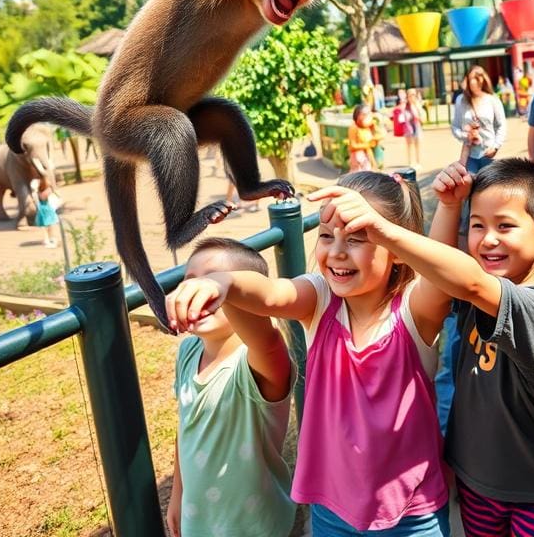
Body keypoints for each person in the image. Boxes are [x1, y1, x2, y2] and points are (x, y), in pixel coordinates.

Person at [167, 171, 452, 536]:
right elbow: (271, 293)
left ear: (394, 248)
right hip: (332, 511)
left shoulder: (415, 311)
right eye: (326, 236)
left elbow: (443, 276)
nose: (336, 252)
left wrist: (448, 206)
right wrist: (223, 282)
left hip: (412, 516)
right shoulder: (320, 299)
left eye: (358, 238)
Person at [415, 157, 534, 536]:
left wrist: (381, 230)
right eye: (477, 226)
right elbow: (439, 276)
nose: (488, 239)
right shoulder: (473, 292)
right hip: (475, 484)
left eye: (505, 226)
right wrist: (450, 205)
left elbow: (467, 281)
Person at [166, 238, 295, 537]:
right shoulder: (188, 352)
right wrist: (177, 494)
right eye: (190, 282)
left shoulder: (260, 364)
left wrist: (227, 287)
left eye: (212, 283)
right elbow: (186, 427)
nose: (198, 292)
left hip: (257, 527)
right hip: (199, 522)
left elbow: (267, 341)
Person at [451, 66, 506, 175]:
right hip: (470, 155)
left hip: (489, 154)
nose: (474, 82)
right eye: (471, 79)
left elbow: (501, 125)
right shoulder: (461, 100)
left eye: (477, 79)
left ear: (483, 81)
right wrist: (466, 136)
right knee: (470, 188)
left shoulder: (492, 99)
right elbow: (455, 126)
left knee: (489, 189)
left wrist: (495, 146)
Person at [392, 88, 423, 170]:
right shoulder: (404, 106)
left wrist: (417, 108)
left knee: (417, 145)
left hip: (417, 127)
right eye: (410, 95)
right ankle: (411, 163)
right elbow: (397, 113)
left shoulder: (417, 105)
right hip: (408, 129)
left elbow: (422, 117)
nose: (412, 97)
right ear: (407, 96)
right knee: (409, 146)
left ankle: (418, 162)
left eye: (414, 95)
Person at [347, 103, 377, 173]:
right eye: (364, 114)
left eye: (368, 113)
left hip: (367, 158)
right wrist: (368, 145)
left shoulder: (366, 126)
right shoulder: (353, 127)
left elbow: (372, 142)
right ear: (358, 115)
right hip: (358, 159)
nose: (367, 116)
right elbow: (352, 145)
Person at [33, 177, 59, 248]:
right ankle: (51, 238)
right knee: (50, 225)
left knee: (44, 226)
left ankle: (46, 239)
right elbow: (53, 196)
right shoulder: (48, 191)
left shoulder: (38, 192)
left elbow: (36, 200)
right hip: (48, 209)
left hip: (41, 209)